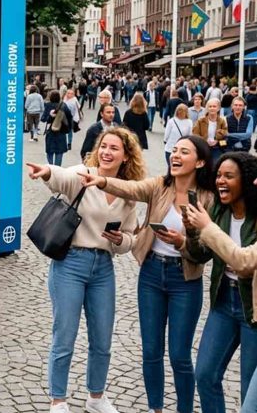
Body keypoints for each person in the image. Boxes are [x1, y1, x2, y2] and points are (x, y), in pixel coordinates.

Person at [79, 135, 215, 413]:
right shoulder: (159, 186)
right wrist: (102, 181)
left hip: (185, 279)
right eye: (174, 150)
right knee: (152, 351)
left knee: (179, 355)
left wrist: (182, 242)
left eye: (184, 152)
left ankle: (184, 409)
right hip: (152, 273)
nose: (175, 156)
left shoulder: (208, 199)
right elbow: (130, 188)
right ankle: (156, 409)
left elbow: (206, 249)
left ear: (200, 162)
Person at [28, 127, 146, 413]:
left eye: (114, 148)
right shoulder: (83, 173)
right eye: (104, 146)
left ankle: (96, 397)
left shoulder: (127, 193)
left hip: (103, 268)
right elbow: (61, 177)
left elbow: (131, 238)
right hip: (70, 263)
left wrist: (121, 241)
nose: (106, 152)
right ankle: (58, 400)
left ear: (126, 156)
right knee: (64, 336)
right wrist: (45, 171)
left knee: (102, 339)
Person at [182, 152, 257, 413]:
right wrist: (193, 230)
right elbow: (201, 254)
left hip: (253, 309)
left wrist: (206, 228)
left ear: (246, 180)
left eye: (229, 176)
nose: (220, 181)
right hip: (224, 301)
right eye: (218, 176)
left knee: (250, 392)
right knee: (204, 374)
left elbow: (243, 263)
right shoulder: (218, 210)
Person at [41, 90, 72, 166]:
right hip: (61, 132)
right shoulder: (64, 105)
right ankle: (57, 169)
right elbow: (70, 117)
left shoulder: (48, 105)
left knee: (50, 151)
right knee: (59, 152)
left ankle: (51, 167)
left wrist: (50, 116)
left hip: (50, 131)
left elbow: (43, 119)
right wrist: (68, 129)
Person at [193, 98, 228, 165]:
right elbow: (195, 134)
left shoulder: (222, 121)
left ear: (218, 108)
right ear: (207, 108)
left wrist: (217, 141)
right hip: (203, 148)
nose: (212, 108)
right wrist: (204, 141)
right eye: (210, 106)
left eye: (214, 106)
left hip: (217, 148)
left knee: (215, 166)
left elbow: (225, 134)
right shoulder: (200, 121)